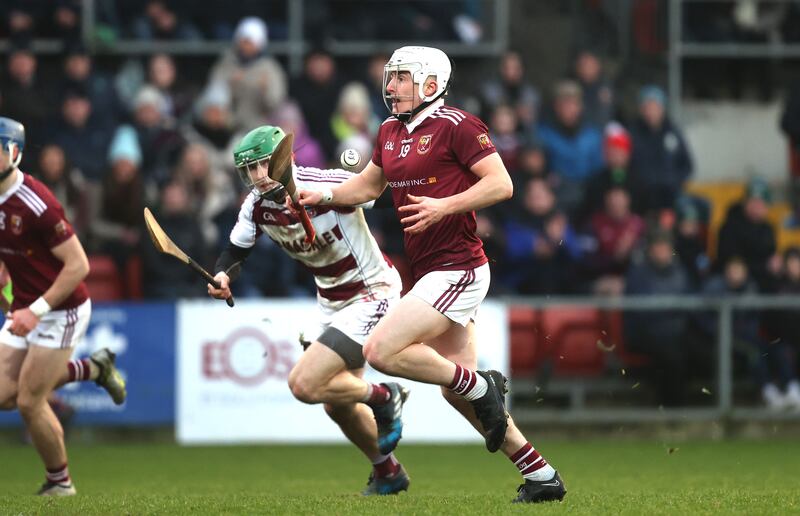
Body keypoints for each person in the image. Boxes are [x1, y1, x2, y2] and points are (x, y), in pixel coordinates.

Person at [298, 46, 566, 504]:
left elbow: (501, 184)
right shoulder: (388, 131)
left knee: (380, 350)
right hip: (431, 271)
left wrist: (445, 204)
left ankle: (481, 383)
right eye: (391, 77)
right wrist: (320, 196)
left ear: (429, 82)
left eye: (402, 77)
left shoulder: (459, 126)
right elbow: (367, 186)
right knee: (456, 396)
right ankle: (541, 475)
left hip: (460, 267)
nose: (391, 86)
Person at [207, 125, 410, 495]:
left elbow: (372, 191)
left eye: (263, 165)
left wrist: (331, 195)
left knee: (303, 384)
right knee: (336, 403)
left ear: (284, 159)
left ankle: (384, 396)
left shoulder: (323, 181)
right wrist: (222, 273)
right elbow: (236, 250)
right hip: (332, 302)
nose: (257, 177)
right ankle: (388, 471)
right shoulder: (256, 206)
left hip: (372, 291)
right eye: (249, 170)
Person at [0, 117, 127, 496]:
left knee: (28, 400)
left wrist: (34, 310)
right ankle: (93, 369)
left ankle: (60, 483)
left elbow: (79, 266)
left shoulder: (37, 203)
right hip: (24, 305)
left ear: (15, 153)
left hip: (61, 310)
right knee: (4, 396)